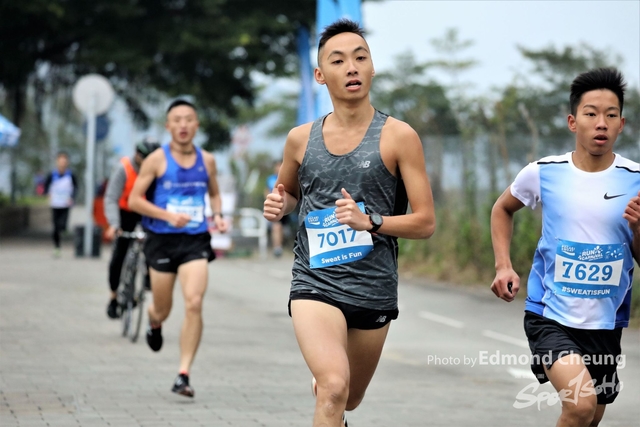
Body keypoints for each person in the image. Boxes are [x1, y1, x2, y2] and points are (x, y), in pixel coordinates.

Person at [263, 19, 436, 427]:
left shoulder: (399, 136)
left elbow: (425, 222)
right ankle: (329, 388)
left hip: (373, 286)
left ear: (373, 68)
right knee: (334, 386)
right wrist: (279, 204)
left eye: (360, 57)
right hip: (315, 280)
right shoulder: (300, 139)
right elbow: (289, 195)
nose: (352, 67)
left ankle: (332, 399)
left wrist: (370, 221)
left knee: (349, 398)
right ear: (320, 75)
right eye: (338, 60)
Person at [490, 68, 640, 427]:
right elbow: (502, 209)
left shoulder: (636, 180)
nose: (601, 123)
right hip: (550, 314)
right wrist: (503, 265)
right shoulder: (543, 172)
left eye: (611, 115)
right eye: (591, 113)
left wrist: (638, 228)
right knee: (580, 406)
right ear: (573, 122)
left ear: (621, 124)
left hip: (606, 321)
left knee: (590, 417)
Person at [128, 99, 228, 398]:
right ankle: (154, 320)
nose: (183, 125)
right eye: (177, 120)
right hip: (162, 239)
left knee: (194, 302)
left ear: (196, 125)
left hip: (194, 239)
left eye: (188, 119)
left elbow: (214, 194)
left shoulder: (207, 160)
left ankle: (183, 374)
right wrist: (168, 216)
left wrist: (218, 215)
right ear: (168, 126)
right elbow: (134, 200)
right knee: (163, 308)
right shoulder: (156, 160)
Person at [104, 138, 161, 319]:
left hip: (146, 212)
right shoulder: (124, 168)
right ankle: (114, 296)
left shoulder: (158, 171)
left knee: (154, 243)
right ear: (138, 155)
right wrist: (114, 225)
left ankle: (147, 279)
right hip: (125, 213)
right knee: (119, 255)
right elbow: (111, 198)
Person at [43, 151, 78, 257]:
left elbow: (76, 187)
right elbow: (45, 186)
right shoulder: (52, 174)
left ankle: (63, 229)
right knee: (56, 227)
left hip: (65, 203)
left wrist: (72, 197)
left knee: (62, 224)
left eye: (64, 161)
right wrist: (48, 194)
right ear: (57, 162)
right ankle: (57, 247)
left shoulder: (71, 175)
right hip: (55, 203)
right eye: (61, 161)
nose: (63, 163)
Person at [264, 160, 289, 257]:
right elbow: (266, 191)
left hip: (286, 206)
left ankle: (280, 245)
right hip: (275, 207)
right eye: (277, 166)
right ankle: (277, 247)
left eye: (280, 166)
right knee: (276, 226)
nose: (278, 168)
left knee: (282, 228)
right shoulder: (270, 179)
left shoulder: (287, 178)